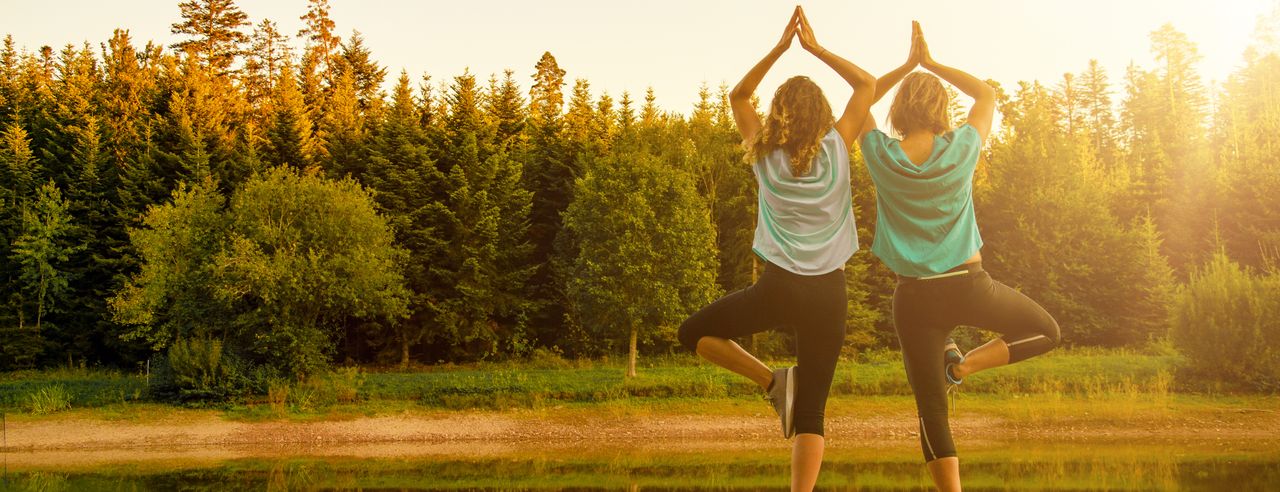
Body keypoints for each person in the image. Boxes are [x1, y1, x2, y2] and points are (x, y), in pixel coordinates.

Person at [675, 6, 874, 491]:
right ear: (823, 113)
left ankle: (770, 381)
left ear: (779, 113)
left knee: (695, 334)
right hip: (830, 292)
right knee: (812, 412)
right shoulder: (838, 144)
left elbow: (738, 95)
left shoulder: (763, 150)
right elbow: (867, 86)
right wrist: (816, 48)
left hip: (779, 288)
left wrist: (780, 48)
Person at [857, 21, 1062, 491]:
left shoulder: (881, 155)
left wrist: (906, 67)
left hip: (914, 299)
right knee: (1047, 331)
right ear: (942, 109)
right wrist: (931, 63)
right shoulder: (962, 148)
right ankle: (964, 366)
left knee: (931, 409)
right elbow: (986, 94)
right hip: (969, 287)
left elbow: (861, 99)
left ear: (900, 110)